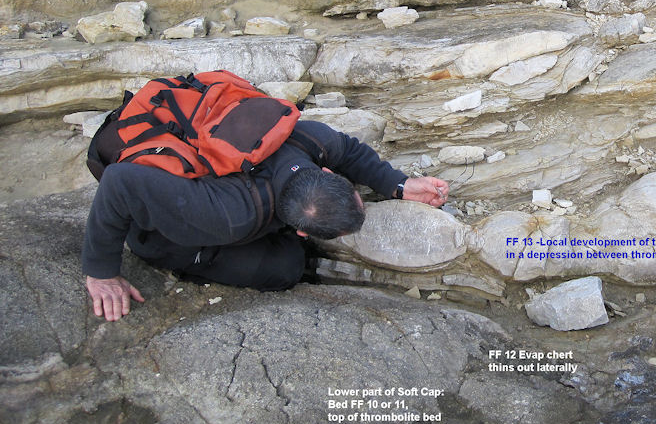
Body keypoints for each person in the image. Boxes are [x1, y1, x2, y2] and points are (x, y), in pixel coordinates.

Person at [82, 120, 449, 322]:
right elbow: (119, 182)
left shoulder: (311, 140)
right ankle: (180, 263)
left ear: (324, 169)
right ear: (301, 229)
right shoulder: (229, 216)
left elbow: (351, 150)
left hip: (190, 144)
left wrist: (398, 184)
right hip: (158, 201)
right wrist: (101, 272)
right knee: (284, 267)